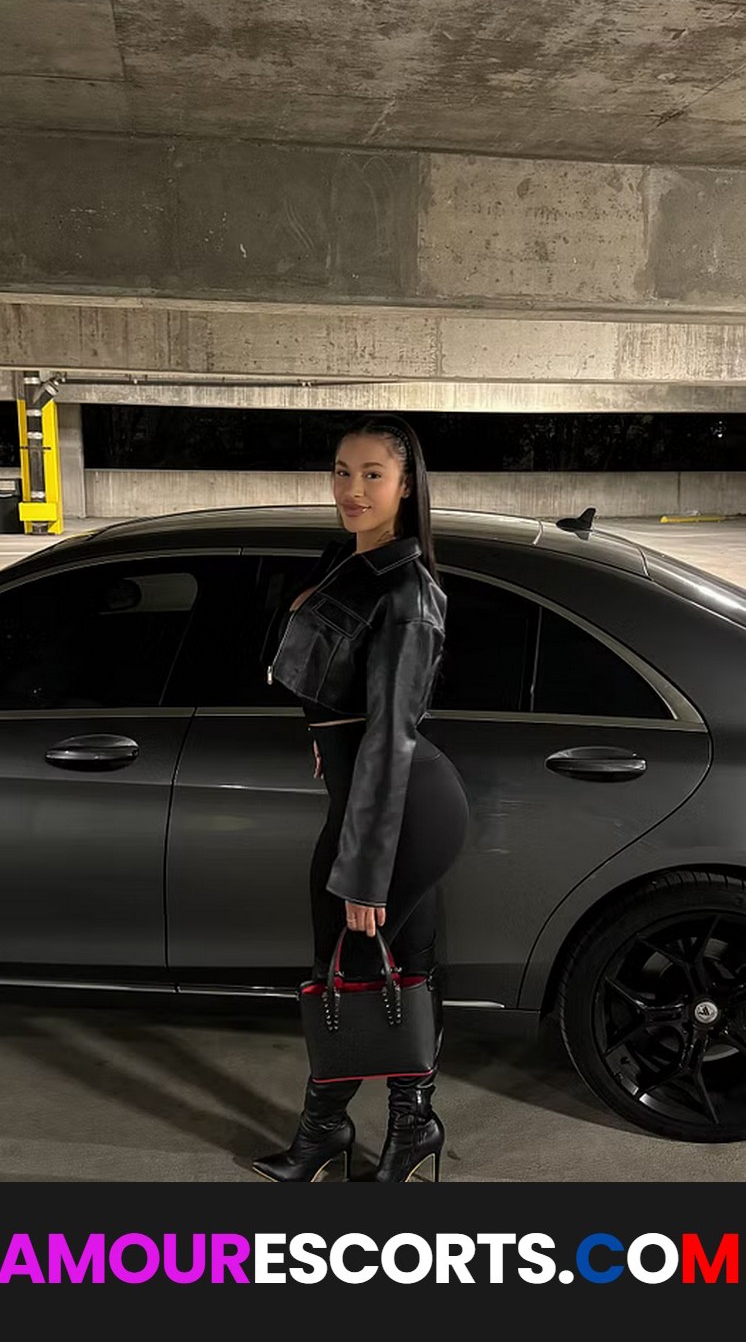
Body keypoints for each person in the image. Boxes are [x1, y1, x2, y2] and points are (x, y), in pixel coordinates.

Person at [253, 415, 470, 1182]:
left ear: (406, 485)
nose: (353, 488)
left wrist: (366, 874)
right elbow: (338, 689)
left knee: (341, 969)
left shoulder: (408, 590)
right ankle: (411, 1127)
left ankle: (325, 1132)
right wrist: (324, 730)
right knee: (406, 964)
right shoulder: (348, 561)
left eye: (373, 474)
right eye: (342, 471)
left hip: (401, 811)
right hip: (375, 797)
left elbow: (390, 736)